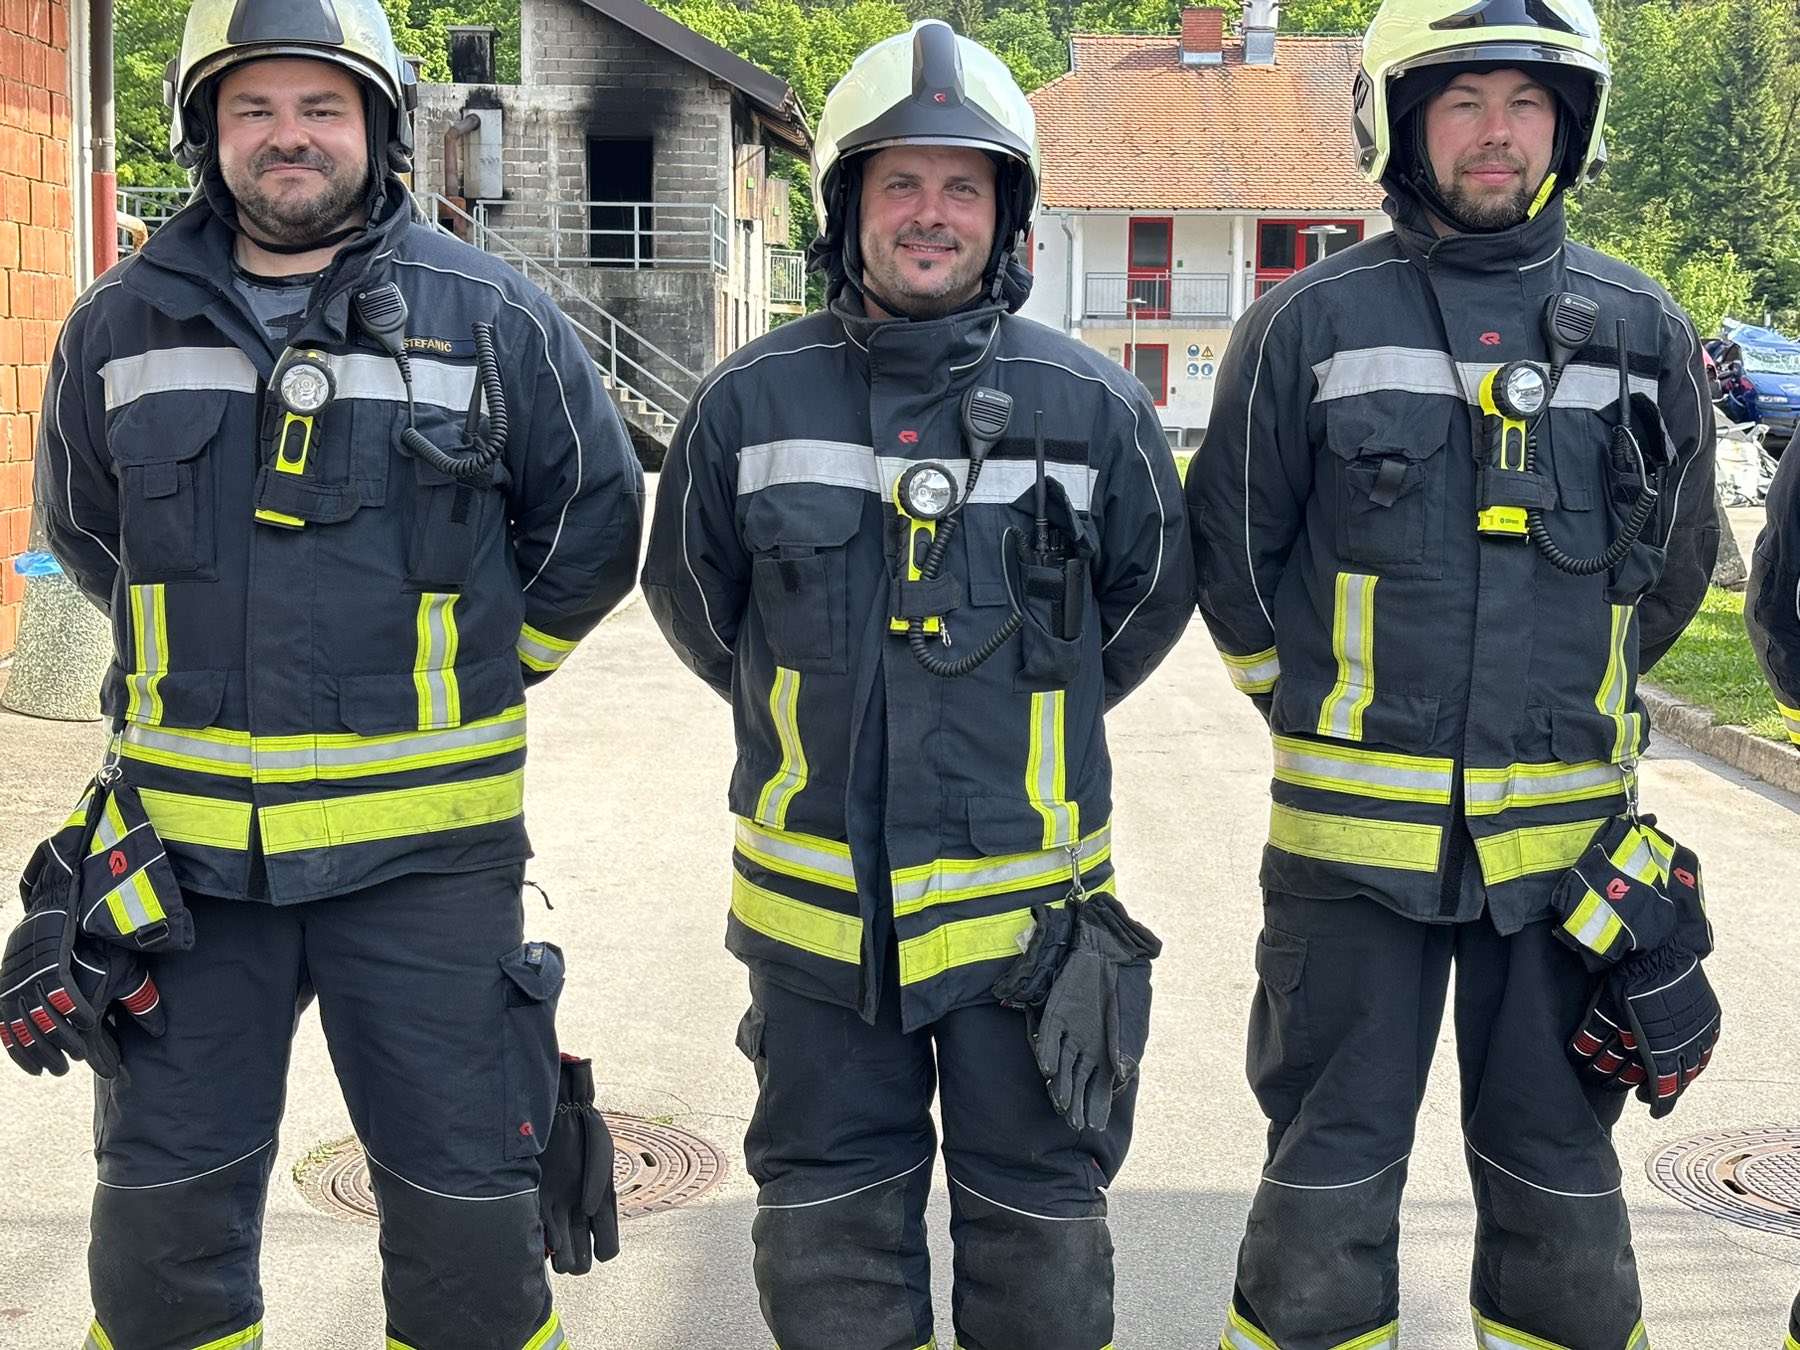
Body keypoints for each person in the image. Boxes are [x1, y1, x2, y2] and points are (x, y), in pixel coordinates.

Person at [13, 1, 642, 1346]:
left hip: (428, 874)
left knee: (472, 1251)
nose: (287, 135)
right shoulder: (116, 325)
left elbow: (592, 526)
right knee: (159, 1253)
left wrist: (472, 669)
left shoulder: (492, 317)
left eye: (320, 107)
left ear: (378, 125)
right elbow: (92, 534)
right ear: (205, 129)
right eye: (254, 107)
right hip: (186, 877)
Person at [641, 20, 1192, 1350]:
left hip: (1032, 935)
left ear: (1007, 216)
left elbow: (1143, 605)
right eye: (900, 182)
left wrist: (1025, 715)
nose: (931, 213)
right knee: (828, 1253)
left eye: (962, 185)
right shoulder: (744, 405)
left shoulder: (1094, 408)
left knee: (1043, 1259)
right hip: (818, 936)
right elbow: (701, 610)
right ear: (847, 205)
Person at [1184, 0, 1719, 1346]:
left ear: (1568, 126)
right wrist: (1316, 713)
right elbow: (1234, 561)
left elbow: (1670, 570)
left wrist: (1569, 705)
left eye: (1527, 102)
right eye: (1464, 98)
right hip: (1346, 868)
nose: (1497, 131)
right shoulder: (1303, 325)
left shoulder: (1644, 330)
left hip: (1567, 868)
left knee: (1562, 1195)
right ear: (1400, 119)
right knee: (1323, 1191)